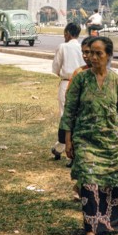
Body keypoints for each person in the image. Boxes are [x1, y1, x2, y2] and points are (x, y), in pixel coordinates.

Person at [60, 37, 118, 235]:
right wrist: (68, 140)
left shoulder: (117, 81)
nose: (92, 57)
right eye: (90, 53)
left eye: (98, 53)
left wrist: (109, 124)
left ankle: (110, 222)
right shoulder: (81, 80)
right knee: (89, 180)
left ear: (108, 55)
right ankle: (90, 230)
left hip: (111, 143)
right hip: (85, 141)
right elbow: (70, 111)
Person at [50, 23, 85, 161]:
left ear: (69, 33)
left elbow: (56, 67)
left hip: (67, 83)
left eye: (65, 33)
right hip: (82, 83)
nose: (64, 36)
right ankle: (66, 147)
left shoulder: (63, 47)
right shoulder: (83, 47)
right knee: (79, 115)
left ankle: (65, 148)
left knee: (66, 116)